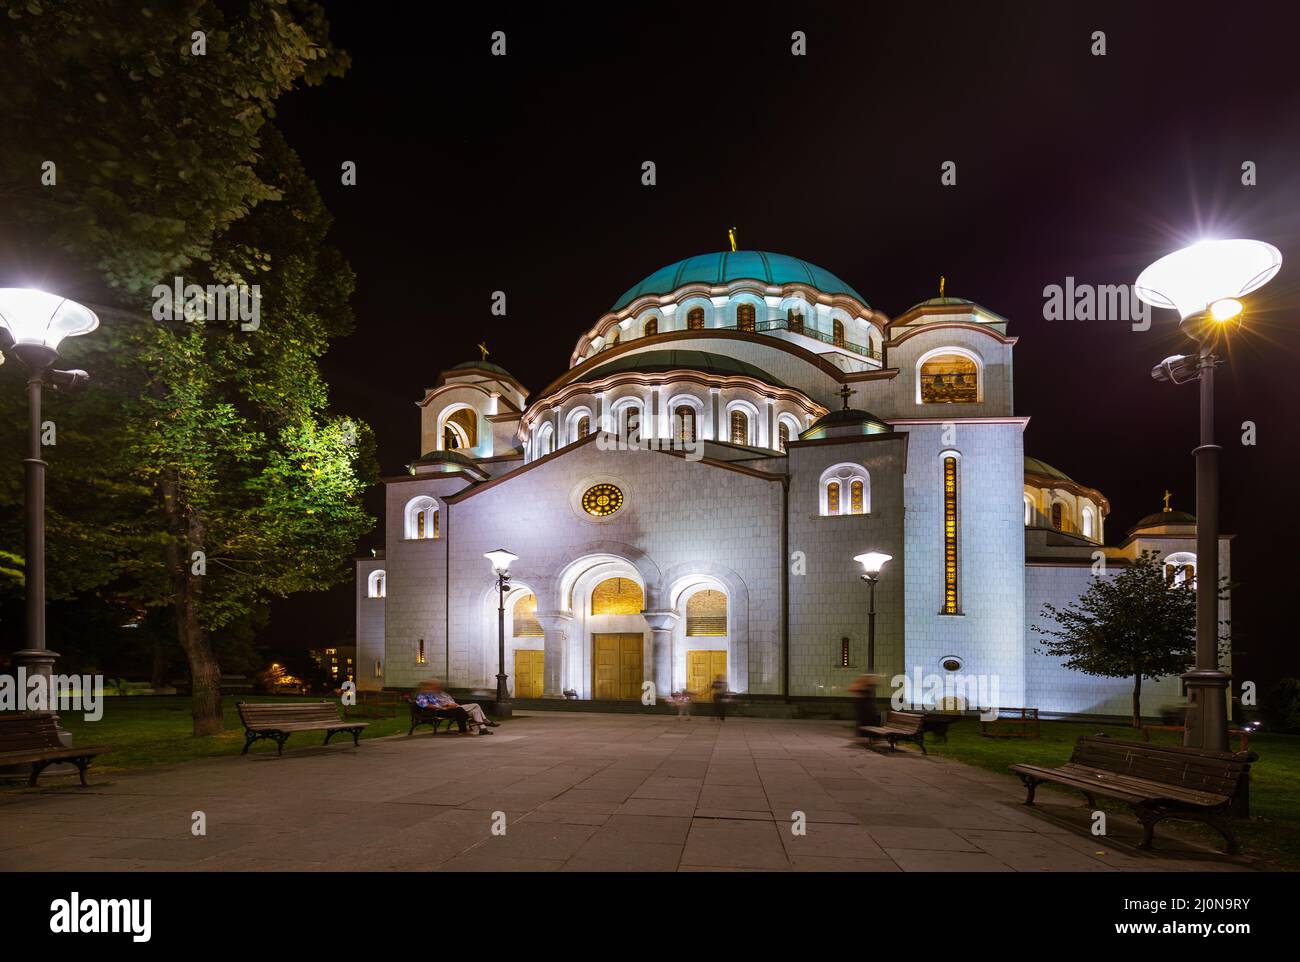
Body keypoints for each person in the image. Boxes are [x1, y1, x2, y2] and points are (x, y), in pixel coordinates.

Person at [415, 679, 498, 735]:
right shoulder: (424, 694)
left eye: (437, 685)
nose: (437, 686)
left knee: (474, 710)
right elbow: (425, 705)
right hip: (439, 711)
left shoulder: (440, 693)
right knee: (464, 708)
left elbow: (449, 700)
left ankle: (482, 729)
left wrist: (453, 704)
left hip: (450, 707)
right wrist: (443, 707)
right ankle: (474, 722)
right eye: (434, 685)